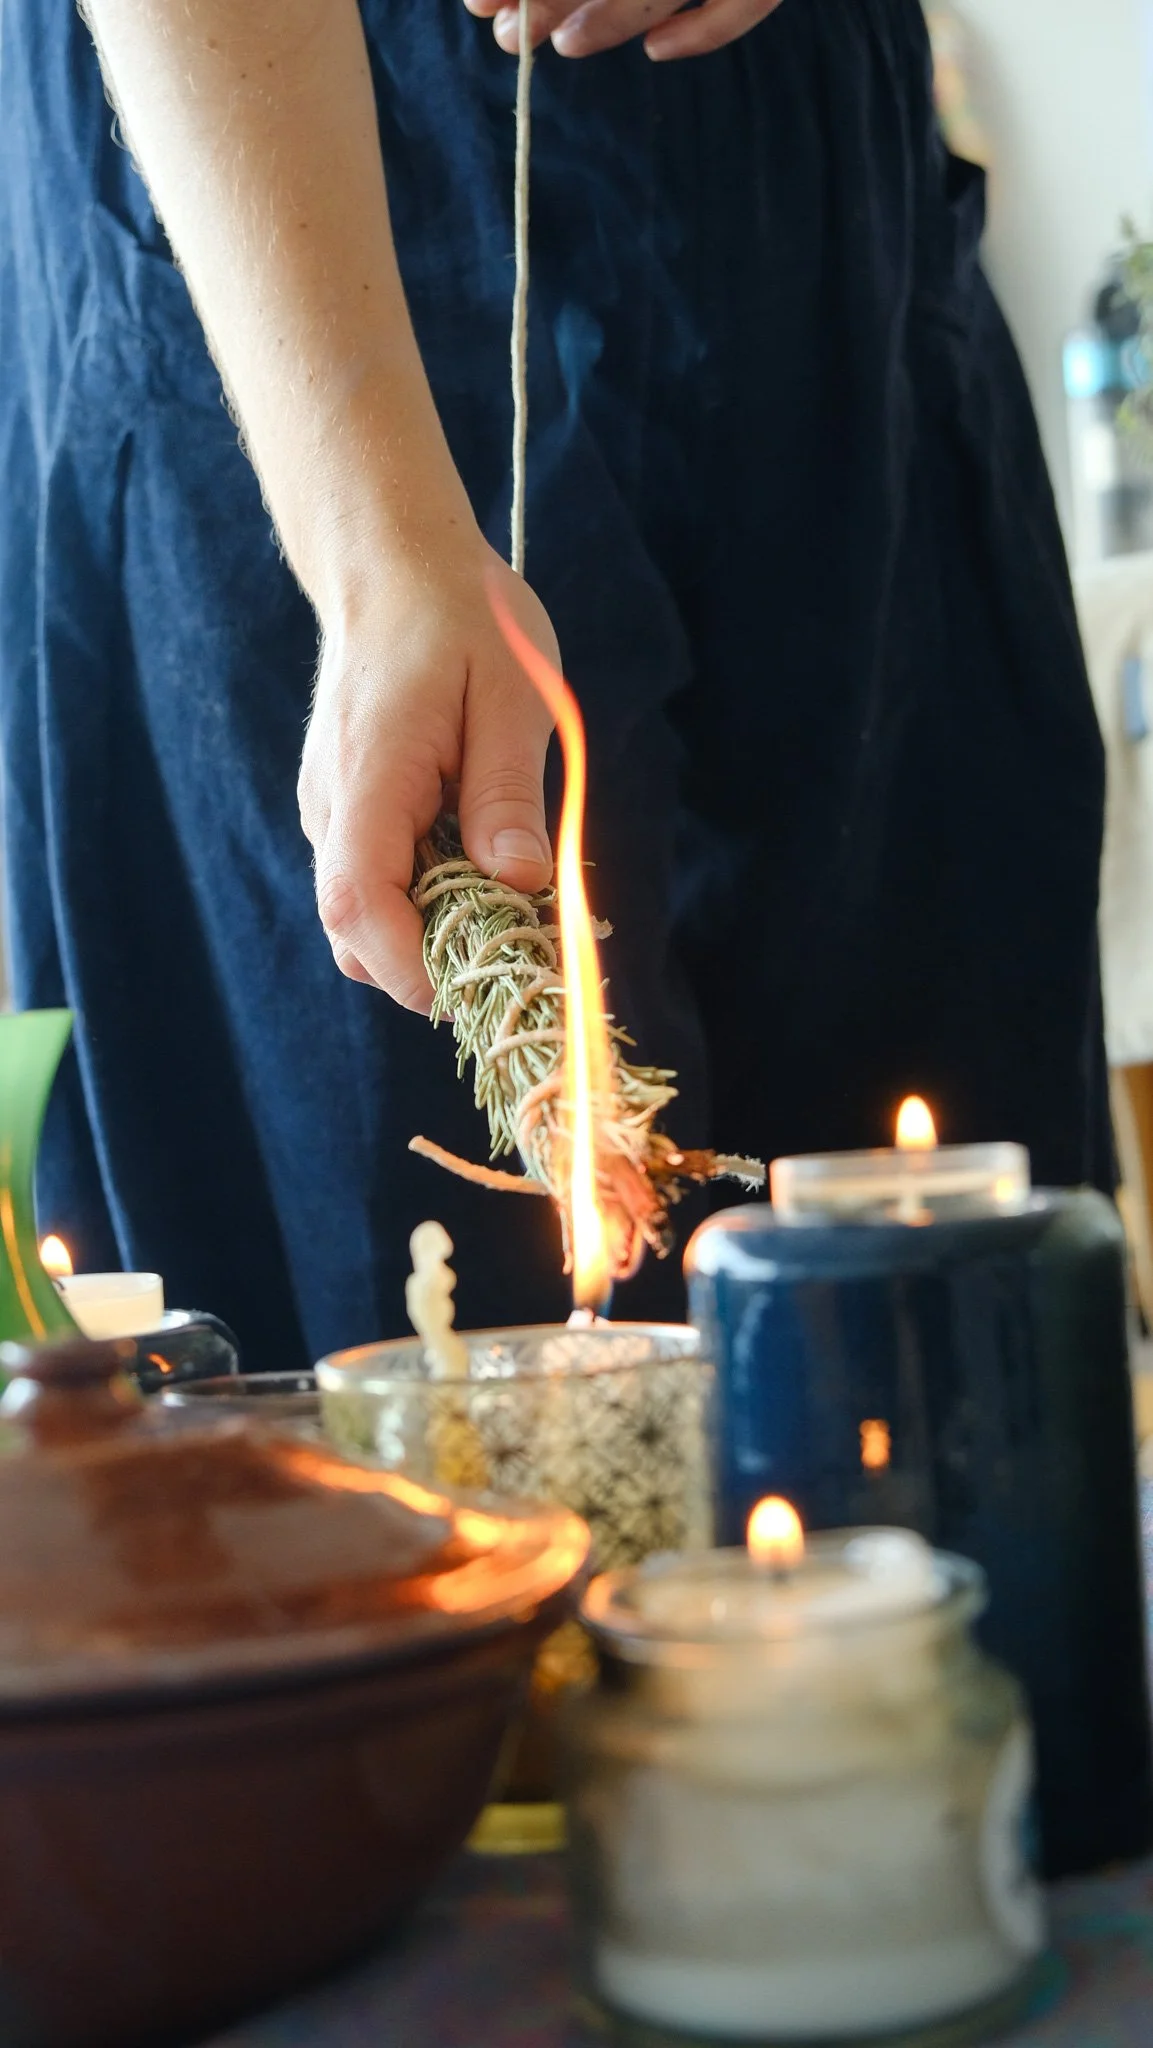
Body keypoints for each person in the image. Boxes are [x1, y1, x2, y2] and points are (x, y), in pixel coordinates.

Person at [0, 0, 1109, 1370]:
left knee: (941, 1355)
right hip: (289, 201)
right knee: (413, 1389)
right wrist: (377, 547)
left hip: (814, 228)